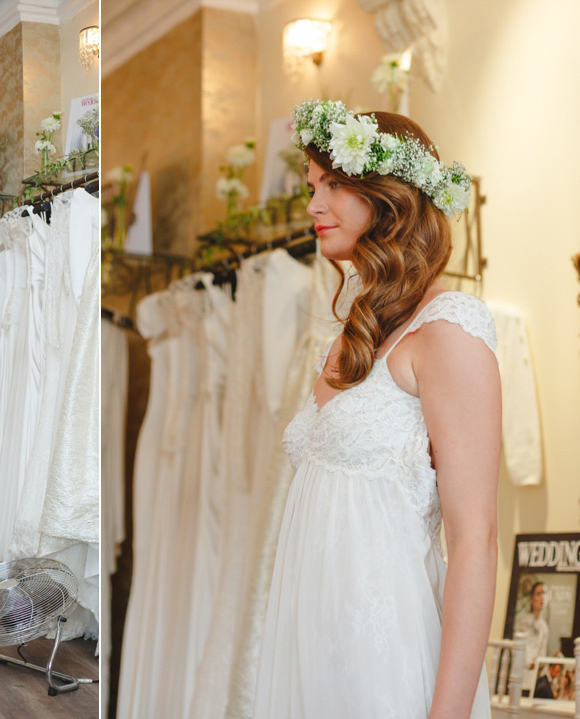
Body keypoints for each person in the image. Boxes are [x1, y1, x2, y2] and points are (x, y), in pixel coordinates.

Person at [253, 101, 500, 719]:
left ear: (388, 197)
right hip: (314, 653)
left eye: (334, 185)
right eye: (313, 186)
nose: (312, 205)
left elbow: (475, 541)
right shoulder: (352, 333)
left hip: (386, 662)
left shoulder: (449, 330)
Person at [514, 581, 550, 671]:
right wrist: (528, 664)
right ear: (532, 599)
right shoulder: (522, 622)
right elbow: (517, 649)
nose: (542, 597)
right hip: (521, 670)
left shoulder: (544, 627)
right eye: (538, 594)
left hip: (535, 673)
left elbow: (542, 652)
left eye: (544, 593)